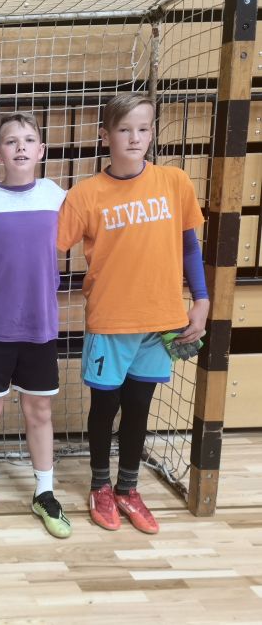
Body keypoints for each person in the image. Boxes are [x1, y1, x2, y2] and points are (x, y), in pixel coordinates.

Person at [57, 92, 209, 534]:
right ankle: (100, 486)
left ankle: (128, 488)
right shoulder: (85, 195)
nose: (135, 138)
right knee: (105, 406)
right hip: (110, 321)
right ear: (105, 135)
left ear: (152, 132)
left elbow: (189, 246)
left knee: (140, 406)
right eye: (124, 129)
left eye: (143, 129)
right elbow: (50, 249)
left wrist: (200, 300)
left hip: (161, 322)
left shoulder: (174, 182)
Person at [0, 112, 72, 540]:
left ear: (41, 150)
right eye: (11, 141)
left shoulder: (56, 196)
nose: (20, 146)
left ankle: (44, 493)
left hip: (39, 328)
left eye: (28, 140)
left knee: (39, 411)